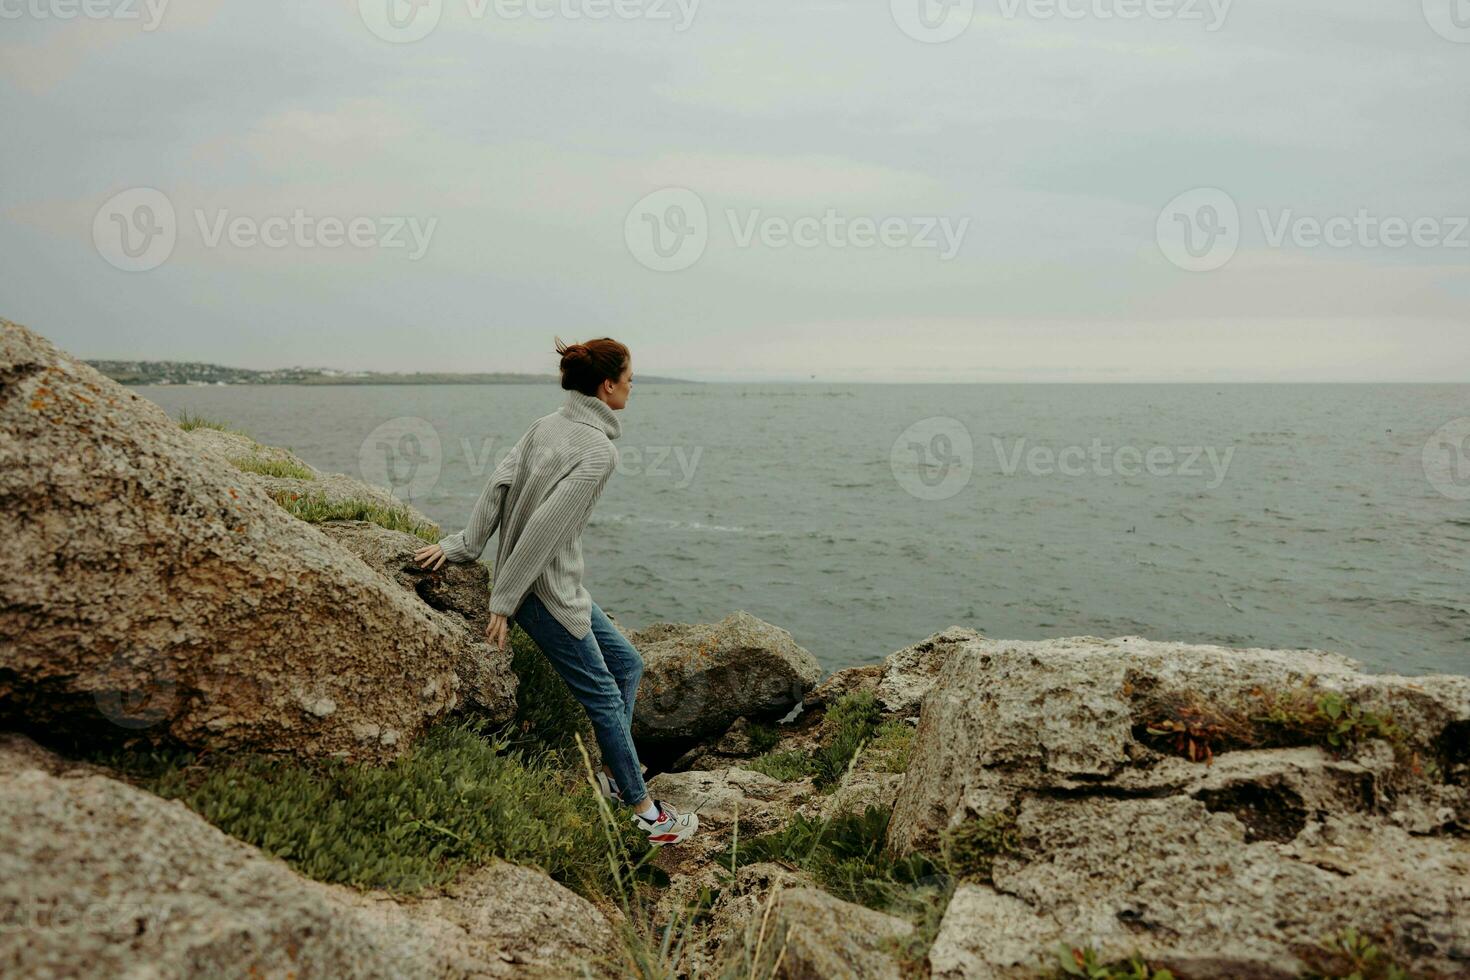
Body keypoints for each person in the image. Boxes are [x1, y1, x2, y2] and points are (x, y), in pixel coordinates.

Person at [413, 337, 698, 845]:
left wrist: (468, 543)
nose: (634, 386)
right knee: (605, 698)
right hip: (543, 593)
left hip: (559, 584)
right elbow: (544, 528)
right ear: (607, 385)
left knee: (628, 662)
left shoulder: (545, 425)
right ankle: (647, 814)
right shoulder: (598, 451)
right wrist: (503, 599)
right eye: (630, 378)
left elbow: (498, 484)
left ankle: (615, 776)